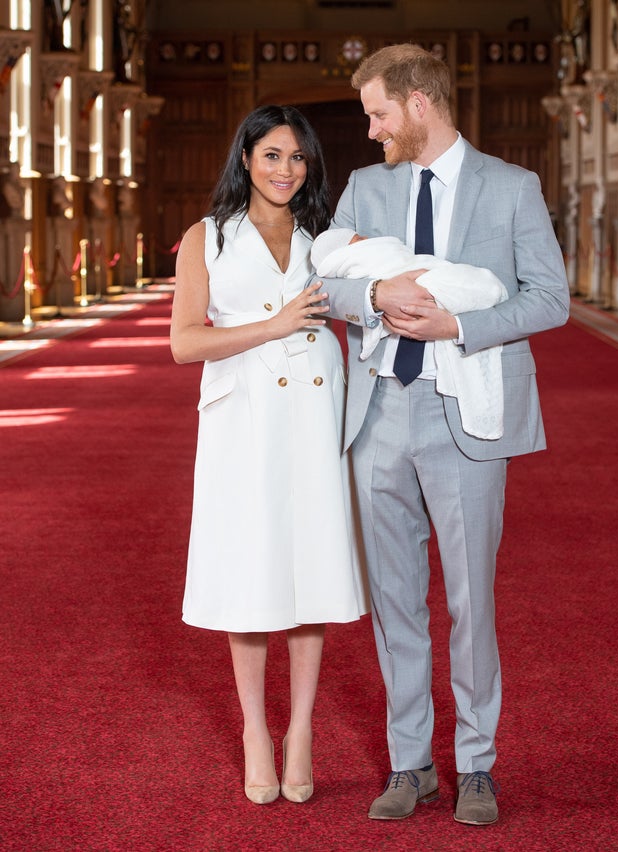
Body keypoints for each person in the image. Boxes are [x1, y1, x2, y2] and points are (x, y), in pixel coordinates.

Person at [313, 44, 569, 826]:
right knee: (395, 601)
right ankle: (410, 763)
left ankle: (478, 765)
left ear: (419, 103)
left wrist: (458, 321)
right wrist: (377, 290)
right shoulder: (365, 187)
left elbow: (550, 299)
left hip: (467, 415)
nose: (371, 130)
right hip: (380, 415)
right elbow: (324, 283)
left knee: (470, 601)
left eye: (379, 113)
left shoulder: (512, 187)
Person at [170, 105, 368, 807]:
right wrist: (275, 323)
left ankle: (303, 731)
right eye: (273, 155)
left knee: (310, 566)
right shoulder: (208, 238)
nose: (287, 170)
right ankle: (257, 728)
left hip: (315, 412)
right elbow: (186, 343)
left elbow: (368, 300)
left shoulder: (327, 238)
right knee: (252, 572)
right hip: (244, 418)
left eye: (298, 158)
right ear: (246, 159)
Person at [311, 228, 508, 439]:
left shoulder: (516, 193)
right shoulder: (357, 204)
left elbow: (546, 295)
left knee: (459, 282)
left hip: (448, 382)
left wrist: (456, 327)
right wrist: (376, 295)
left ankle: (486, 288)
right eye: (359, 240)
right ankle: (485, 289)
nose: (367, 239)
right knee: (447, 286)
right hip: (378, 395)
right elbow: (317, 288)